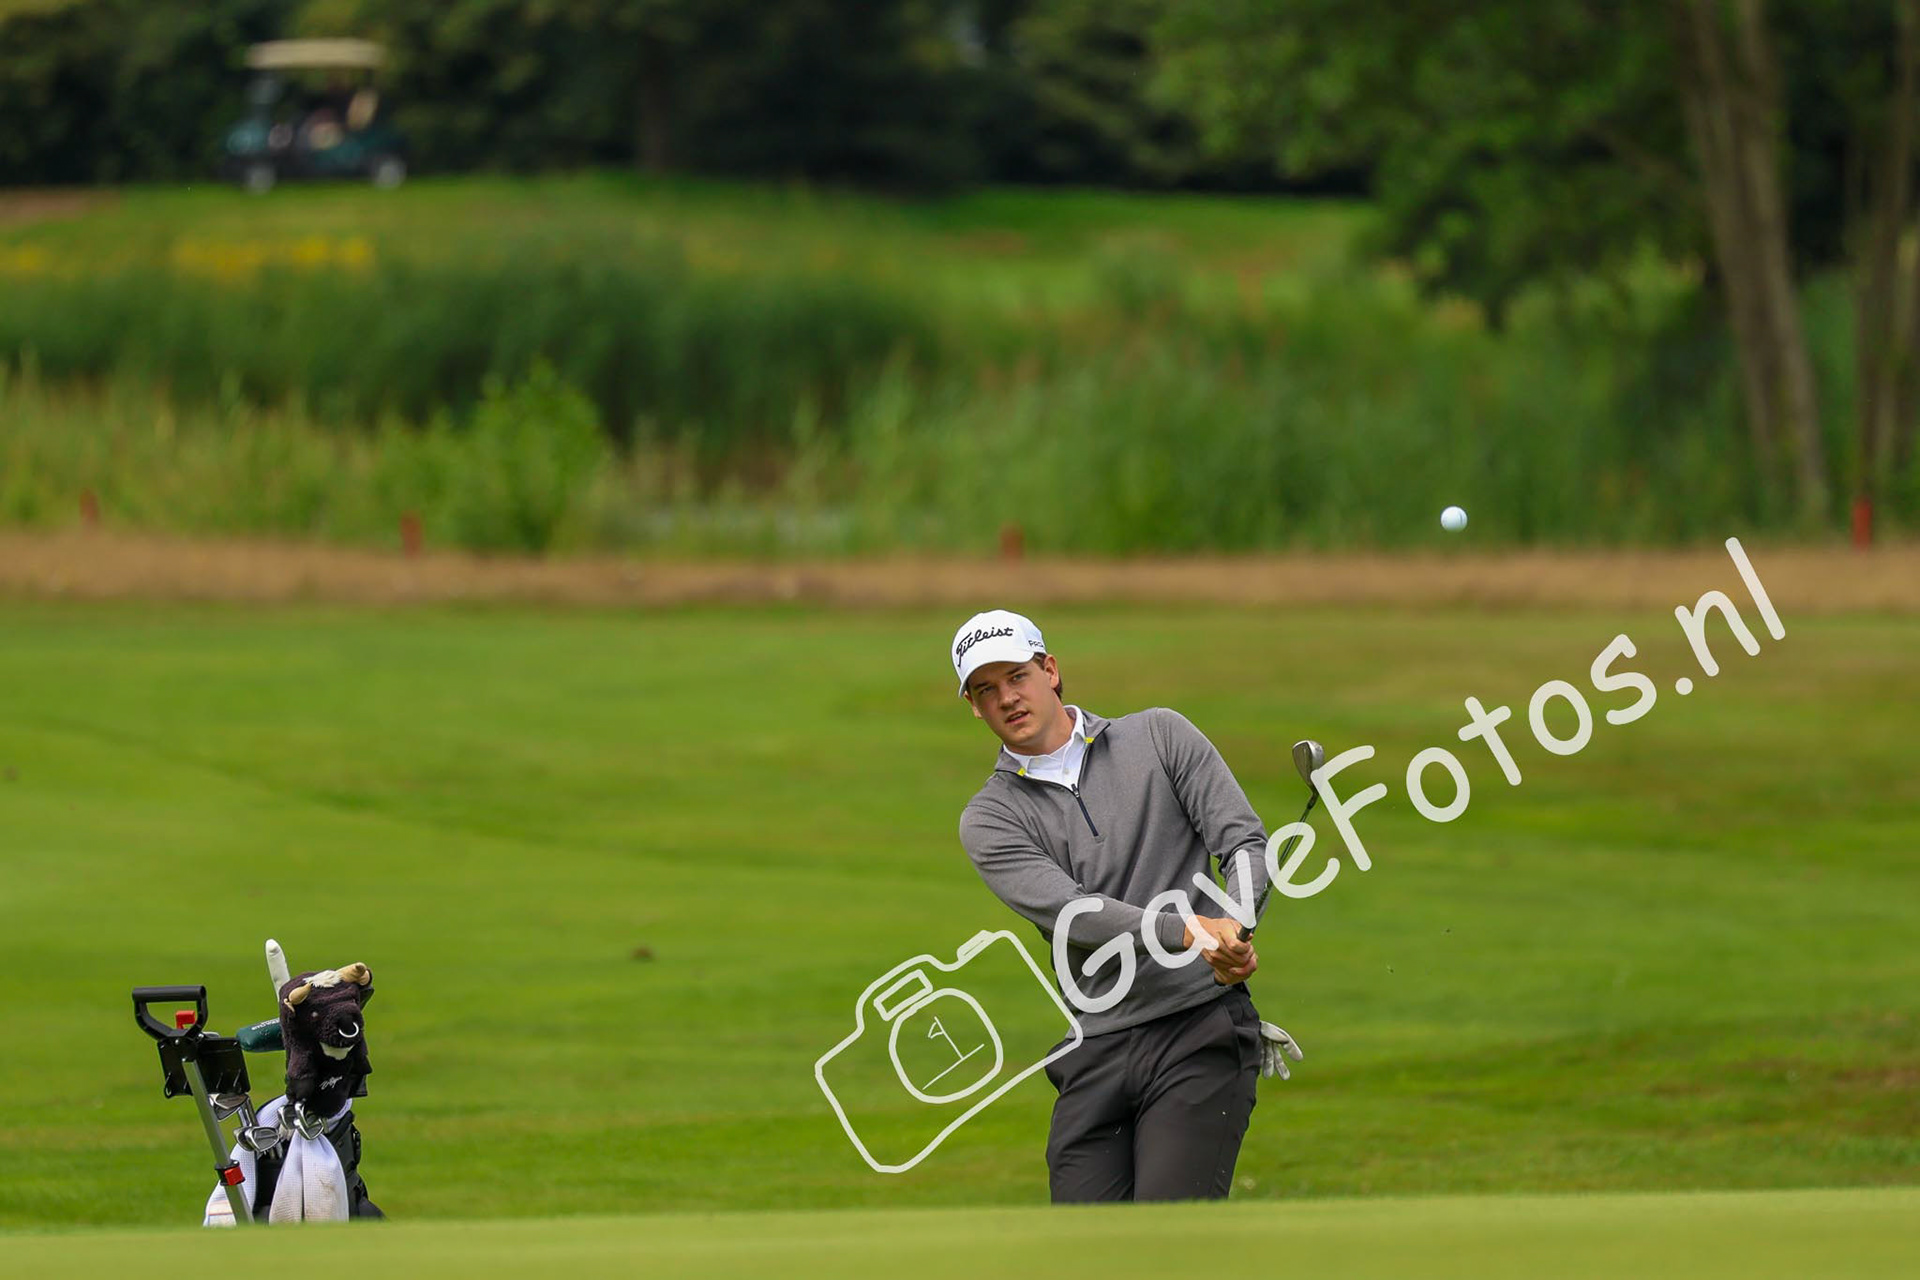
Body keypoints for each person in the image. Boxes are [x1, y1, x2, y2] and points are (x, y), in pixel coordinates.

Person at [952, 609, 1303, 1203]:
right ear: (975, 708)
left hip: (1198, 1027)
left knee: (1169, 1240)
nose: (1007, 698)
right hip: (1095, 1048)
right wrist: (1191, 930)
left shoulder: (1159, 736)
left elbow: (1244, 842)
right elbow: (1076, 914)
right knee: (1088, 1250)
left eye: (1016, 677)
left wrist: (1235, 930)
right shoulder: (990, 818)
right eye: (986, 690)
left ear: (1051, 670)